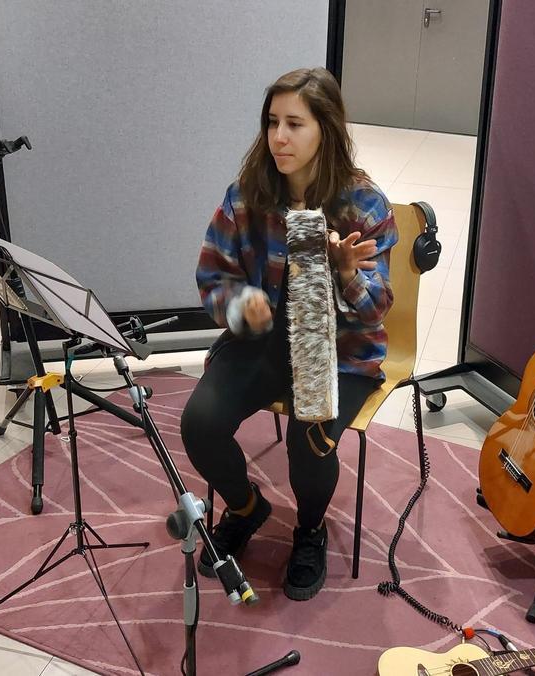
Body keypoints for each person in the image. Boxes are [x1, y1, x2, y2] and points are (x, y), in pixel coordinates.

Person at [180, 67, 397, 601]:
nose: (279, 137)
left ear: (327, 128)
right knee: (199, 423)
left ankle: (310, 531)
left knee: (311, 437)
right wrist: (240, 306)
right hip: (262, 344)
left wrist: (346, 273)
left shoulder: (365, 205)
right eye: (272, 122)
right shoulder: (247, 194)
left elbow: (376, 311)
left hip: (340, 352)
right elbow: (214, 276)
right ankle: (247, 507)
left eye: (295, 124)